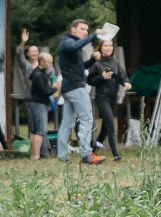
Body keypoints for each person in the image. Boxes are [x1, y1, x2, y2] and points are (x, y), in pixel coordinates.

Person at [55, 18, 97, 161]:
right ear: (73, 29)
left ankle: (62, 156)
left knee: (67, 123)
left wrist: (92, 60)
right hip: (76, 87)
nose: (85, 32)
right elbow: (73, 47)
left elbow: (81, 67)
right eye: (82, 29)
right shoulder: (67, 42)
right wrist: (93, 36)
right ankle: (86, 154)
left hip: (69, 88)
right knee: (87, 118)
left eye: (87, 30)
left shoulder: (71, 44)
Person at [86, 36, 128, 162]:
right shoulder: (97, 64)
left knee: (105, 128)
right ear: (100, 48)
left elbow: (123, 77)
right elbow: (89, 80)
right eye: (105, 45)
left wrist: (126, 83)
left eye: (110, 45)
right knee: (110, 124)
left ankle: (93, 151)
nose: (108, 48)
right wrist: (101, 77)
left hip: (113, 98)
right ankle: (116, 155)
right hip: (102, 98)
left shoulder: (116, 63)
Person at [22, 43, 57, 158]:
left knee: (33, 131)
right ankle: (36, 155)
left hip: (34, 103)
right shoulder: (40, 75)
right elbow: (45, 91)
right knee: (40, 131)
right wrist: (55, 88)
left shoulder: (35, 72)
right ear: (42, 62)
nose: (51, 65)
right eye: (49, 62)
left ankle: (33, 155)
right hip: (40, 104)